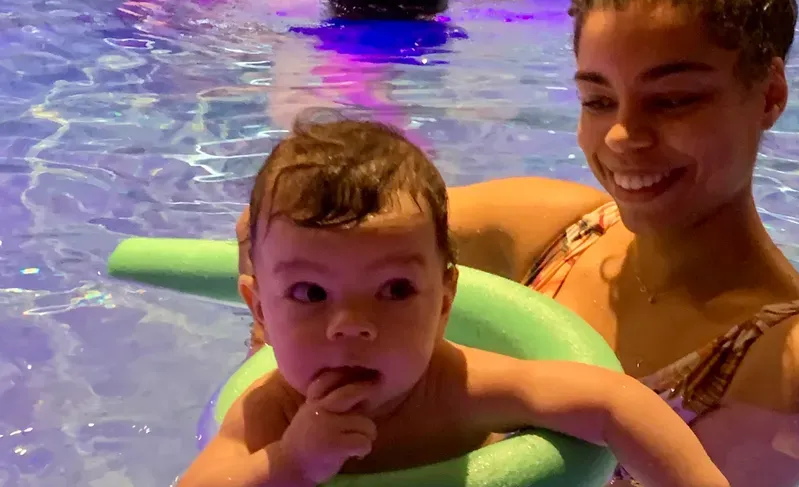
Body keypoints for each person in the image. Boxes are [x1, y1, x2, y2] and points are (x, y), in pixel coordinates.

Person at [238, 0, 799, 485]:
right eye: (597, 101)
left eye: (674, 100)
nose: (624, 136)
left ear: (770, 94)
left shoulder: (798, 362)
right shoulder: (550, 225)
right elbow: (284, 228)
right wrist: (287, 371)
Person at [180, 116, 730, 487]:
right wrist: (291, 462)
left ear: (445, 302)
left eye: (395, 290)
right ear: (261, 312)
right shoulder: (270, 412)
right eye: (310, 293)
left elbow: (613, 403)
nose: (351, 325)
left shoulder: (463, 386)